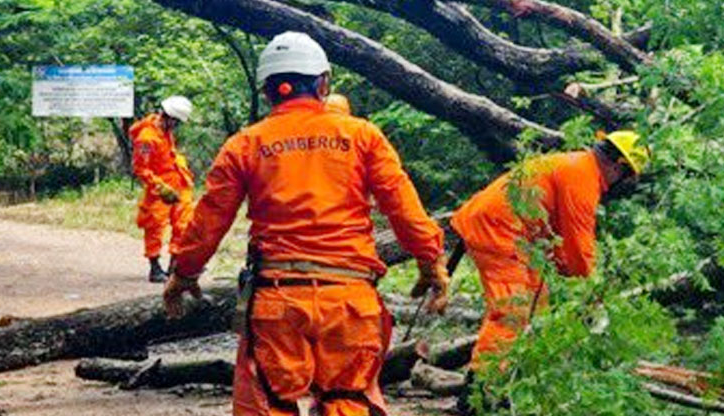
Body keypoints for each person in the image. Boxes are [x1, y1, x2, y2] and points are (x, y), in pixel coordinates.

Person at [162, 31, 449, 416]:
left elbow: (209, 219)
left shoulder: (245, 144)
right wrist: (431, 263)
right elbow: (405, 209)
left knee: (268, 403)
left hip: (278, 301)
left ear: (267, 92)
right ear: (323, 83)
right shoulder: (362, 136)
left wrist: (183, 274)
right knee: (348, 402)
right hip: (350, 302)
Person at [450, 131, 650, 371]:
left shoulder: (578, 166)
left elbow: (560, 236)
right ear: (620, 167)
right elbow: (578, 245)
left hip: (515, 233)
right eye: (628, 177)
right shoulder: (582, 177)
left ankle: (516, 376)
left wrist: (564, 265)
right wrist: (591, 291)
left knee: (537, 302)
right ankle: (481, 390)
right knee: (513, 313)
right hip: (500, 230)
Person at [129, 95, 195, 283]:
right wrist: (159, 186)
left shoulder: (165, 130)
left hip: (179, 183)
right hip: (160, 189)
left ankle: (175, 266)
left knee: (184, 225)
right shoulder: (146, 138)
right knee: (155, 226)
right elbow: (140, 168)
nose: (176, 126)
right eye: (176, 122)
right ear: (169, 117)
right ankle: (155, 267)